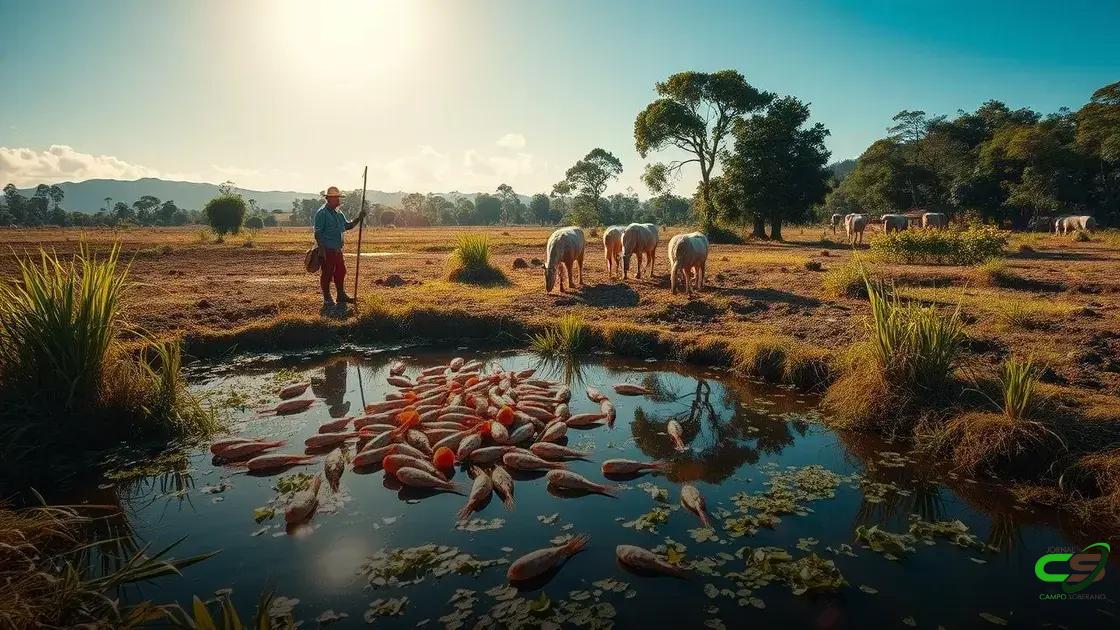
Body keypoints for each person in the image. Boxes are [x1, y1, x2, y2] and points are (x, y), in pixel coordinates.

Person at [314, 186, 367, 311]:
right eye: (336, 198)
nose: (339, 201)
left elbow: (347, 226)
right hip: (327, 249)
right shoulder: (322, 213)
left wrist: (358, 219)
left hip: (337, 249)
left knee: (341, 271)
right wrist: (322, 251)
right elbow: (318, 233)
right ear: (328, 199)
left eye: (338, 198)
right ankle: (327, 298)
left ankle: (341, 295)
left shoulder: (338, 213)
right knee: (327, 273)